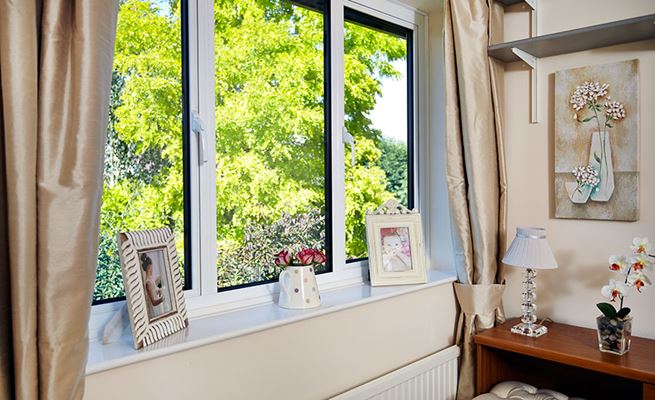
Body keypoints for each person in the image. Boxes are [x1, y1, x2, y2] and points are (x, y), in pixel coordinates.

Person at [141, 253, 165, 318]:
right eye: (151, 267)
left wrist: (158, 292)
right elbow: (153, 303)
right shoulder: (148, 283)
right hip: (155, 310)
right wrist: (163, 299)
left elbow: (154, 293)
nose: (152, 269)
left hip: (158, 307)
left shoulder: (151, 279)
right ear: (149, 267)